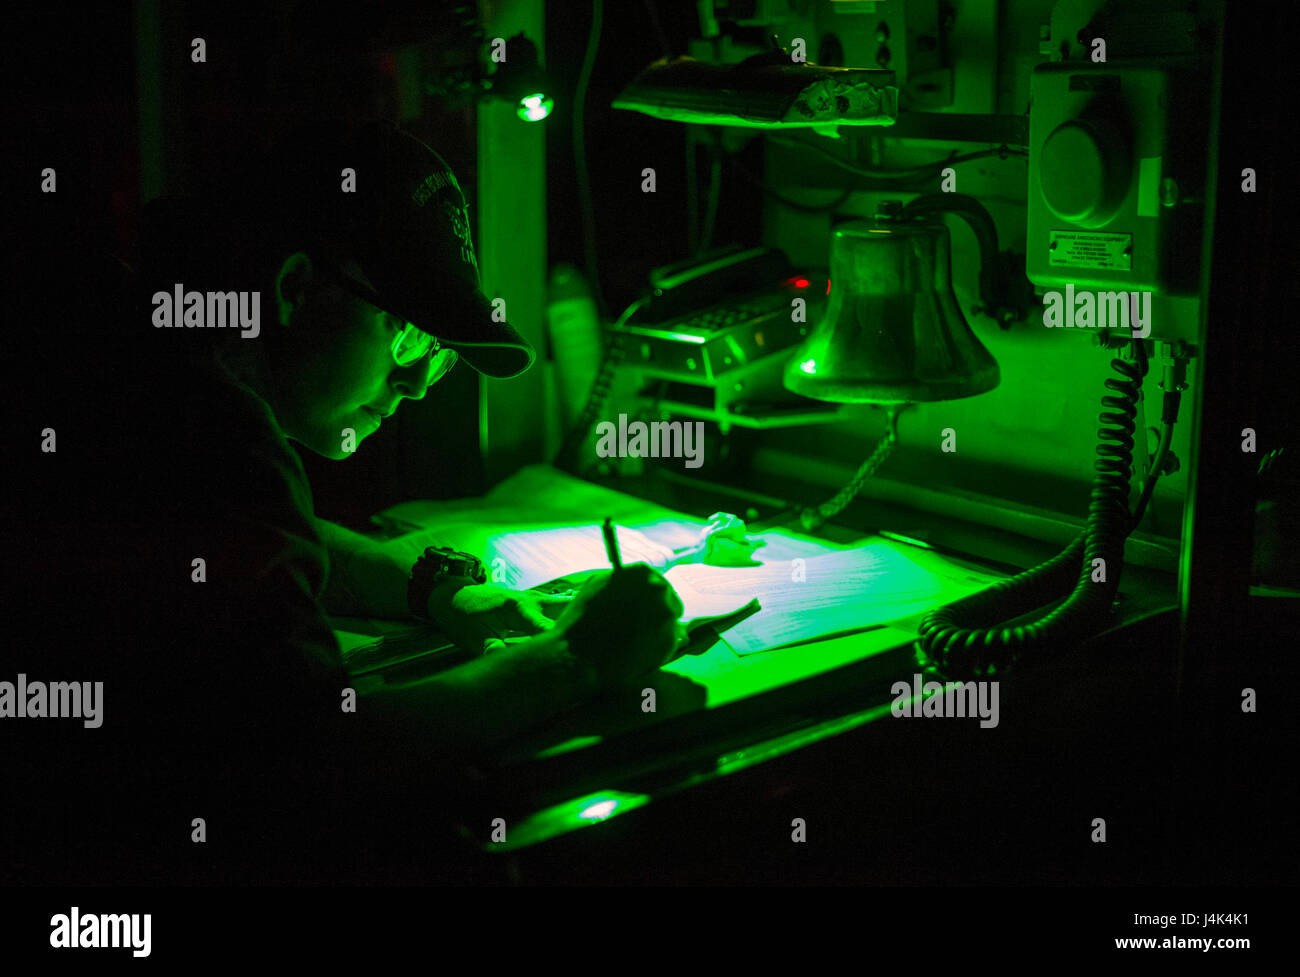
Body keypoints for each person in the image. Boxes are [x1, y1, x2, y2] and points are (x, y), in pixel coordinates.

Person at [6, 119, 685, 884]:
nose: (417, 385)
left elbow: (236, 540)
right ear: (296, 290)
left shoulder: (122, 336)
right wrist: (575, 658)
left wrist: (434, 585)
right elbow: (312, 752)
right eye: (407, 339)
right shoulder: (217, 433)